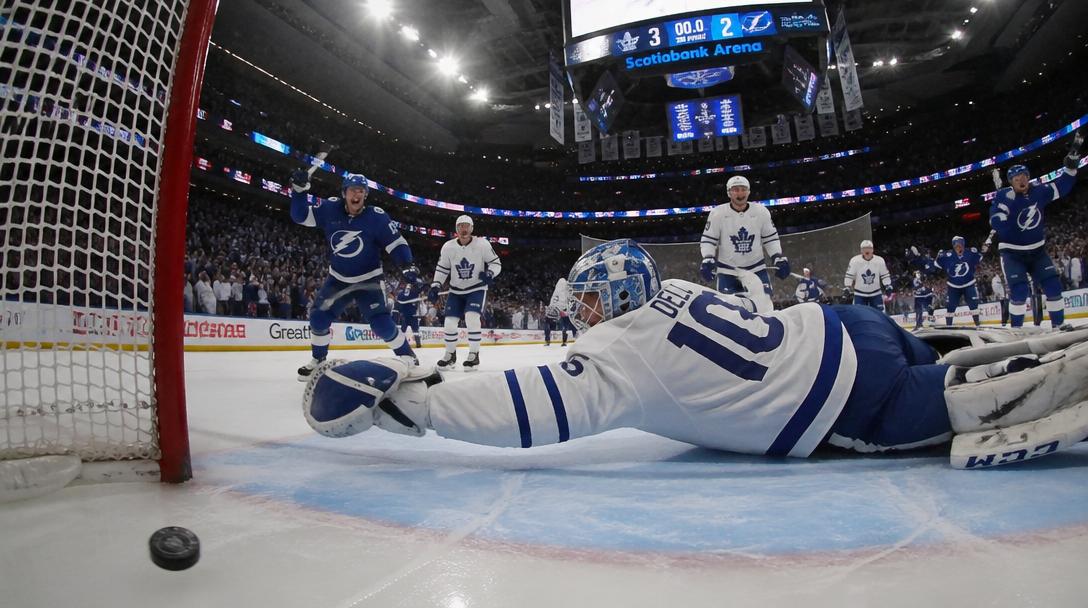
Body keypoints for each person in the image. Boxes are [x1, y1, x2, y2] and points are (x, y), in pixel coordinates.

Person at [302, 239, 1088, 469]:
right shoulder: (679, 290)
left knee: (972, 405)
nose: (578, 312)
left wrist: (417, 403)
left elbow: (528, 410)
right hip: (843, 323)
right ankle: (990, 352)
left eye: (585, 298)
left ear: (608, 299)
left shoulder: (618, 351)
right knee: (964, 355)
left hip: (843, 397)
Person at [289, 170, 420, 381]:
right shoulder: (330, 208)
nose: (356, 195)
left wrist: (407, 265)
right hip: (338, 279)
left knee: (380, 323)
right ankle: (318, 360)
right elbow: (300, 216)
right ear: (344, 193)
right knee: (318, 318)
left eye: (361, 190)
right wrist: (299, 191)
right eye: (352, 190)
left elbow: (396, 243)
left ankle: (408, 356)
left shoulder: (376, 217)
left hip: (369, 280)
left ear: (366, 195)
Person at [989, 130, 1082, 327]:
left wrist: (1071, 170)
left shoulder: (1039, 191)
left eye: (1023, 176)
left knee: (1053, 286)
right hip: (1013, 253)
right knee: (1020, 290)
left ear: (1028, 177)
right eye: (1016, 179)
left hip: (1038, 250)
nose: (1021, 180)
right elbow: (997, 223)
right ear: (1011, 182)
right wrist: (1004, 210)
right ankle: (1016, 329)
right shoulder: (1003, 196)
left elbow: (1061, 187)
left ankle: (1059, 327)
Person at [427, 214, 502, 371]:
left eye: (467, 225)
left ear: (472, 228)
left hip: (476, 289)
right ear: (456, 229)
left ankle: (473, 355)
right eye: (460, 225)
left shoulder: (482, 244)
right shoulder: (448, 247)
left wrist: (489, 274)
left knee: (472, 318)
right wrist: (435, 285)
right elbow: (442, 268)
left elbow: (496, 263)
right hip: (455, 290)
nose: (463, 228)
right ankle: (450, 355)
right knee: (449, 324)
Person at [700, 175, 790, 304]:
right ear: (728, 193)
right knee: (729, 314)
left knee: (764, 311)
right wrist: (708, 258)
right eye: (735, 189)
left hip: (756, 270)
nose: (740, 193)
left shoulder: (761, 211)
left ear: (749, 191)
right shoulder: (717, 213)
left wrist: (777, 257)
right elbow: (708, 240)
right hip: (728, 272)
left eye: (743, 189)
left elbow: (770, 238)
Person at [914, 237, 983, 327]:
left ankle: (978, 325)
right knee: (950, 307)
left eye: (960, 245)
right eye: (956, 246)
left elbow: (980, 257)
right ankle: (949, 326)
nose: (958, 248)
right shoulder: (946, 255)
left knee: (973, 306)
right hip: (953, 286)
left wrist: (984, 250)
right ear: (953, 246)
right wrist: (926, 261)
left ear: (963, 245)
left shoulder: (971, 252)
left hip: (969, 284)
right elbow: (934, 266)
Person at [843, 240, 893, 311]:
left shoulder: (879, 260)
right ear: (861, 250)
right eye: (864, 248)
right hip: (859, 294)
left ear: (872, 250)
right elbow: (849, 275)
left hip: (876, 294)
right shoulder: (854, 261)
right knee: (859, 314)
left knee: (880, 315)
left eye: (869, 248)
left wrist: (888, 285)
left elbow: (885, 274)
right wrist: (847, 287)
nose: (867, 250)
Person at [544, 277, 578, 347]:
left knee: (548, 325)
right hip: (562, 309)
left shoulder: (558, 290)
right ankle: (564, 341)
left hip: (555, 308)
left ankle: (548, 341)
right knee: (564, 326)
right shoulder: (566, 289)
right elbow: (570, 299)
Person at [395, 278, 425, 349]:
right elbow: (420, 289)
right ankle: (418, 344)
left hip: (406, 315)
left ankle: (400, 343)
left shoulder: (402, 294)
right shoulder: (414, 293)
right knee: (414, 330)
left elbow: (399, 300)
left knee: (405, 330)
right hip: (411, 315)